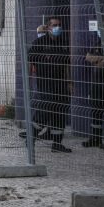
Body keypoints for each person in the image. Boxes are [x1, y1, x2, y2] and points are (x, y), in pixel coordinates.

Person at [28, 16, 72, 153]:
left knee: (60, 114)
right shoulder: (40, 43)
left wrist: (70, 82)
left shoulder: (63, 43)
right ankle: (30, 139)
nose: (57, 28)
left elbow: (67, 65)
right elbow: (30, 60)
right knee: (44, 112)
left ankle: (57, 144)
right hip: (45, 83)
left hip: (61, 84)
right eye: (54, 25)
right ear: (47, 27)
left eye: (59, 25)